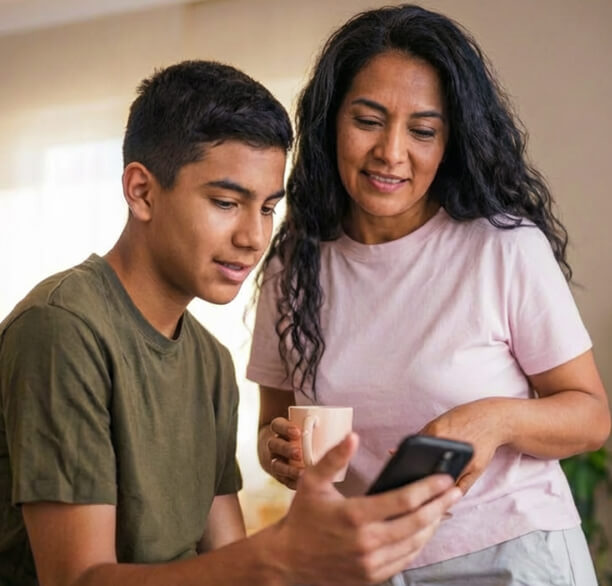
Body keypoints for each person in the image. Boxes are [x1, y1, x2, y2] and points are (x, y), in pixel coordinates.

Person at [0, 60, 462, 586]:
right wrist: (282, 554)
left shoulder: (211, 362)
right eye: (226, 202)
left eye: (267, 208)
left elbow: (229, 560)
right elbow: (77, 580)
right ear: (141, 191)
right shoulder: (62, 330)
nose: (253, 238)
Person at [248, 4, 611, 585]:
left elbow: (591, 418)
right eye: (367, 120)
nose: (391, 153)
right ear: (329, 123)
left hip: (511, 553)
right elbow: (274, 425)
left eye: (422, 130)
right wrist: (280, 450)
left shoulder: (502, 247)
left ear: (450, 140)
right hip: (365, 564)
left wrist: (493, 420)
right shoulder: (296, 263)